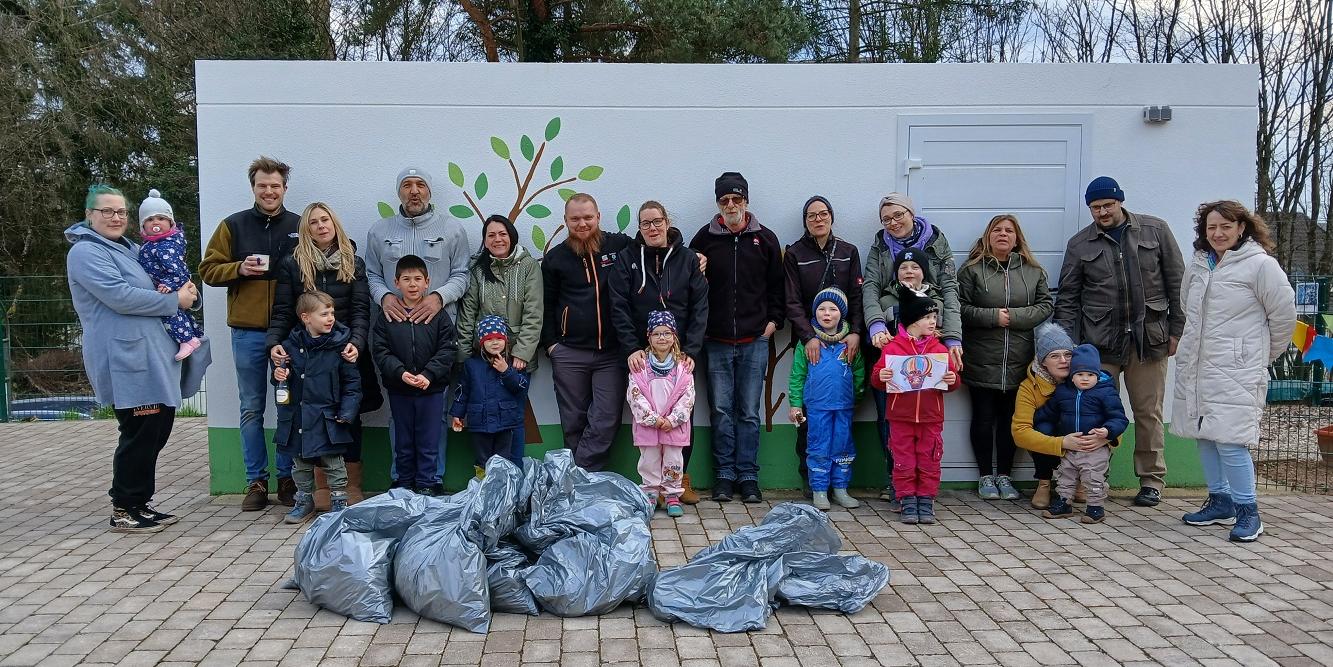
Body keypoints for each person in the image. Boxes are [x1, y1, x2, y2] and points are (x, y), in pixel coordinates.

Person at [68, 184, 199, 533]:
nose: (116, 217)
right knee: (140, 431)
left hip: (151, 356)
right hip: (125, 358)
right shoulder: (86, 253)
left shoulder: (131, 249)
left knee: (156, 429)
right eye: (107, 211)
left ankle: (141, 501)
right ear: (89, 216)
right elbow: (121, 297)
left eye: (122, 211)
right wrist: (175, 302)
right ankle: (124, 506)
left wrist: (187, 293)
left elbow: (165, 281)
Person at [1054, 176, 1185, 508]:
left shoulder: (1155, 230)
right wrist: (1072, 346)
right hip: (1099, 346)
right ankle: (1095, 479)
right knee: (1095, 414)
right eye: (1095, 208)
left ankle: (1152, 481)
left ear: (1120, 202)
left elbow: (1178, 283)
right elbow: (1068, 298)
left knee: (1148, 412)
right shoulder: (1079, 243)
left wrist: (1177, 329)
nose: (1102, 213)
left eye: (1107, 206)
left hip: (1149, 339)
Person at [1171, 201, 1294, 542]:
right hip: (1198, 365)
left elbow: (1283, 317)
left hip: (1237, 369)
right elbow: (1186, 307)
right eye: (1211, 227)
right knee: (1205, 434)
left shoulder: (1261, 266)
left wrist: (1256, 356)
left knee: (1231, 440)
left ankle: (1248, 512)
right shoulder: (1198, 265)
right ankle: (1220, 500)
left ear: (1242, 228)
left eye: (1226, 226)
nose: (1218, 233)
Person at [199, 156, 301, 510]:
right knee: (252, 407)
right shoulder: (233, 226)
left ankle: (287, 477)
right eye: (263, 185)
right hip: (247, 332)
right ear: (253, 188)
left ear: (285, 188)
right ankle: (256, 481)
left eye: (275, 185)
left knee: (287, 406)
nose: (269, 191)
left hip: (288, 333)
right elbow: (207, 270)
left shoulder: (299, 226)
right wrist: (238, 268)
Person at [365, 167, 471, 484]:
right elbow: (371, 273)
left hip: (436, 336)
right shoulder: (379, 231)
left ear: (429, 192)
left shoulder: (451, 229)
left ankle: (431, 479)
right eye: (407, 185)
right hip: (395, 336)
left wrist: (439, 296)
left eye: (420, 185)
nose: (414, 191)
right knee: (399, 415)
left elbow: (462, 273)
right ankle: (401, 478)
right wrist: (384, 297)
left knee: (435, 414)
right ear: (399, 192)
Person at [266, 202, 375, 506]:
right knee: (309, 416)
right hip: (308, 353)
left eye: (325, 219)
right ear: (306, 229)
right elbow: (284, 310)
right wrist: (274, 342)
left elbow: (361, 310)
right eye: (313, 222)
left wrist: (357, 342)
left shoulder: (354, 261)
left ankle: (350, 485)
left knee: (349, 416)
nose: (320, 226)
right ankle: (318, 489)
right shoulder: (293, 263)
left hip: (347, 351)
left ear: (334, 223)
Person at [690, 172, 785, 504]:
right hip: (715, 340)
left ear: (746, 200)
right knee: (720, 410)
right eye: (724, 200)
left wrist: (773, 322)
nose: (730, 205)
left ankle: (748, 476)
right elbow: (691, 286)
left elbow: (778, 286)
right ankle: (723, 476)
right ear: (718, 203)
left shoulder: (766, 239)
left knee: (748, 411)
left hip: (754, 340)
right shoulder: (703, 239)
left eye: (736, 199)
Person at [862, 193, 961, 505]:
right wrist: (876, 324)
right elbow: (870, 290)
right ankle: (899, 484)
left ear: (911, 213)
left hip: (930, 358)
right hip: (892, 350)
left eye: (898, 215)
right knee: (889, 421)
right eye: (886, 218)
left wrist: (953, 338)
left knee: (927, 430)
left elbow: (950, 290)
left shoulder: (936, 243)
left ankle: (924, 492)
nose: (893, 222)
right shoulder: (879, 249)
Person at [610, 200, 709, 503]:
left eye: (657, 222)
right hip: (642, 354)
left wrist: (690, 349)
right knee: (649, 415)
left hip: (680, 352)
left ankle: (678, 484)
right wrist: (630, 348)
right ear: (639, 228)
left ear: (667, 222)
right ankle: (652, 488)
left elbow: (700, 306)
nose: (652, 228)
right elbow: (619, 306)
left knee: (681, 413)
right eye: (645, 223)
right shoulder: (628, 259)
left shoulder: (688, 259)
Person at [957, 214, 1053, 501]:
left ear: (1017, 237)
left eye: (1008, 230)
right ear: (988, 236)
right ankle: (986, 475)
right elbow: (958, 307)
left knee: (1011, 419)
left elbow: (1046, 304)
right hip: (982, 357)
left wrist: (1013, 317)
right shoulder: (972, 270)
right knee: (983, 418)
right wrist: (992, 317)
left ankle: (1006, 476)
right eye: (997, 230)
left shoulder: (1033, 271)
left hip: (1019, 359)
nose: (1002, 234)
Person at [541, 193, 633, 471]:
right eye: (575, 219)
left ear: (599, 217)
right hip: (569, 352)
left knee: (606, 417)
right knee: (573, 420)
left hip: (612, 352)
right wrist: (551, 345)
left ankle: (581, 472)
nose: (582, 224)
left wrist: (686, 248)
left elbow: (655, 242)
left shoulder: (620, 246)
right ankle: (584, 481)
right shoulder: (556, 258)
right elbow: (545, 305)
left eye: (588, 217)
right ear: (566, 220)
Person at [783, 196, 863, 490]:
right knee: (808, 414)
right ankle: (811, 479)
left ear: (832, 217)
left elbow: (856, 297)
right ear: (805, 221)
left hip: (845, 343)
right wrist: (808, 336)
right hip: (809, 341)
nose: (818, 219)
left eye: (823, 214)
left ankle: (839, 482)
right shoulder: (795, 253)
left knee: (840, 417)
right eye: (812, 215)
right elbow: (791, 301)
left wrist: (856, 331)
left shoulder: (848, 251)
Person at [456, 215, 542, 462]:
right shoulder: (477, 268)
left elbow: (534, 313)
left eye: (502, 234)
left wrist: (521, 354)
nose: (497, 239)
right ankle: (486, 478)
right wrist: (464, 355)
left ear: (512, 235)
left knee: (513, 419)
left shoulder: (528, 266)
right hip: (481, 361)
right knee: (482, 419)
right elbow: (467, 313)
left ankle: (513, 477)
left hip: (515, 361)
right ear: (484, 240)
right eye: (491, 235)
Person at [870, 285, 959, 525]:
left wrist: (953, 380)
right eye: (927, 317)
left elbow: (950, 381)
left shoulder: (939, 349)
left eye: (934, 317)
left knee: (929, 458)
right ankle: (907, 498)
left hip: (931, 417)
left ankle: (926, 499)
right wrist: (882, 377)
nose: (933, 322)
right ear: (912, 320)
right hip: (900, 417)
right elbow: (877, 377)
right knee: (903, 459)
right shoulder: (892, 348)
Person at [273, 292, 362, 524]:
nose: (331, 318)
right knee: (300, 464)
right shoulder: (290, 347)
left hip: (328, 417)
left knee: (333, 463)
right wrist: (279, 374)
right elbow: (280, 380)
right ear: (306, 317)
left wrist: (347, 412)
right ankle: (304, 500)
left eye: (332, 313)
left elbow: (352, 384)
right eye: (324, 314)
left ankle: (339, 502)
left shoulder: (341, 346)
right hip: (298, 417)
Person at [373, 255, 457, 494]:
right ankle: (404, 482)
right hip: (399, 389)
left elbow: (447, 349)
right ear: (396, 282)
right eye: (406, 279)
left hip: (432, 389)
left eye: (418, 279)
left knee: (429, 439)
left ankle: (427, 483)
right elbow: (380, 351)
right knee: (403, 439)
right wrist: (400, 373)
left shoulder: (439, 317)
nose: (412, 284)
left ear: (427, 282)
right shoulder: (387, 316)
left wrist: (429, 374)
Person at [1011, 322, 1108, 509]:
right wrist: (1062, 443)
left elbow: (1116, 418)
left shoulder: (1091, 379)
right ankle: (1044, 483)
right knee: (1043, 427)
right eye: (1054, 356)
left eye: (1068, 354)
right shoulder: (1029, 387)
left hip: (1087, 444)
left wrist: (1105, 438)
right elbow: (1020, 432)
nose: (1063, 360)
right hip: (1056, 442)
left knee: (1095, 426)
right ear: (1042, 361)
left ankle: (1082, 483)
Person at [788, 287, 865, 511]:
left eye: (833, 309)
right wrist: (795, 403)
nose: (827, 313)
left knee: (843, 447)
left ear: (842, 313)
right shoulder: (808, 344)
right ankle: (819, 490)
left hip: (843, 407)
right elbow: (797, 375)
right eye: (821, 309)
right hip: (817, 408)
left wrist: (857, 396)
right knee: (818, 447)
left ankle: (840, 489)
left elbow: (859, 372)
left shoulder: (849, 344)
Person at [1034, 344, 1127, 524]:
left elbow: (1118, 418)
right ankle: (1064, 503)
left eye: (1090, 375)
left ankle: (1095, 507)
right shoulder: (1063, 392)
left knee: (1093, 477)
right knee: (1065, 475)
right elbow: (1050, 411)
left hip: (1094, 446)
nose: (1085, 379)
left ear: (1097, 375)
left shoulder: (1106, 392)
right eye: (1080, 374)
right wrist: (1035, 419)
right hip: (1071, 446)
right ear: (1072, 375)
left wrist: (1107, 431)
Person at [627, 311, 696, 518]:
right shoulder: (640, 367)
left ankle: (672, 495)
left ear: (674, 336)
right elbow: (635, 396)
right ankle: (650, 493)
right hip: (650, 425)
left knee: (674, 460)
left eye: (667, 333)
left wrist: (673, 420)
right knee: (649, 460)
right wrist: (653, 419)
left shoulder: (683, 368)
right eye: (657, 334)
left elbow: (688, 397)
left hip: (674, 426)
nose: (662, 338)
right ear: (649, 337)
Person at [452, 315, 530, 477]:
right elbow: (462, 391)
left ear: (506, 340)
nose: (494, 342)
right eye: (489, 339)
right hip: (480, 422)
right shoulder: (471, 365)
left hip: (505, 422)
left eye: (498, 338)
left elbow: (521, 387)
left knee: (504, 460)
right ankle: (482, 489)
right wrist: (457, 414)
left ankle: (503, 491)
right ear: (481, 342)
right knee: (482, 460)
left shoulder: (512, 363)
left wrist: (506, 371)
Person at [135, 189, 203, 361]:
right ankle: (189, 336)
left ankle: (188, 339)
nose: (155, 222)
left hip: (169, 285)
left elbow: (177, 270)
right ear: (143, 226)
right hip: (163, 286)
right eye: (149, 219)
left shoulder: (167, 245)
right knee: (174, 313)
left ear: (170, 222)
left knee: (171, 313)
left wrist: (169, 284)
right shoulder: (151, 244)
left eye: (161, 218)